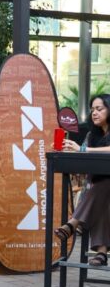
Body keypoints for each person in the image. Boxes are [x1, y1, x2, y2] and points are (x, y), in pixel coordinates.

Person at [55, 94, 110, 266]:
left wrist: (84, 149)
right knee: (102, 193)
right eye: (92, 110)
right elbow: (83, 156)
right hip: (98, 190)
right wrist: (68, 151)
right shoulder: (91, 135)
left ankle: (72, 223)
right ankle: (102, 253)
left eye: (99, 109)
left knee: (102, 187)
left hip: (98, 188)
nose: (94, 113)